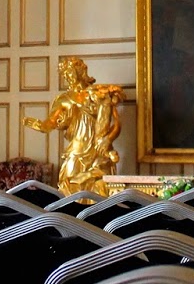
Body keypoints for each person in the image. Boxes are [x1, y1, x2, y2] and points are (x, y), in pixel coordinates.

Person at [22, 56, 125, 196]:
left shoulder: (99, 94)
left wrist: (108, 139)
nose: (67, 77)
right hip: (76, 152)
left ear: (79, 71)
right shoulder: (63, 99)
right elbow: (51, 122)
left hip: (99, 151)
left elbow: (117, 122)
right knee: (69, 190)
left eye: (70, 72)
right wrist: (40, 125)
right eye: (65, 74)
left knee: (101, 192)